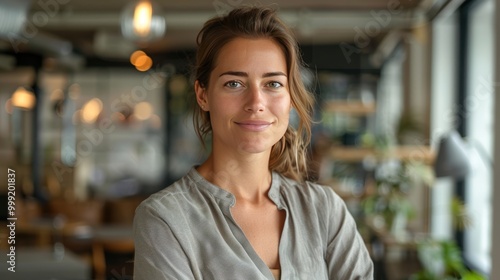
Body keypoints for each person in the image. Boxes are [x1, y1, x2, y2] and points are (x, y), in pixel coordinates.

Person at [133, 6, 373, 280]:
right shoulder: (167, 219)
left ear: (290, 97)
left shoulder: (324, 210)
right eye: (234, 84)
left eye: (273, 84)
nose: (256, 103)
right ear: (203, 95)